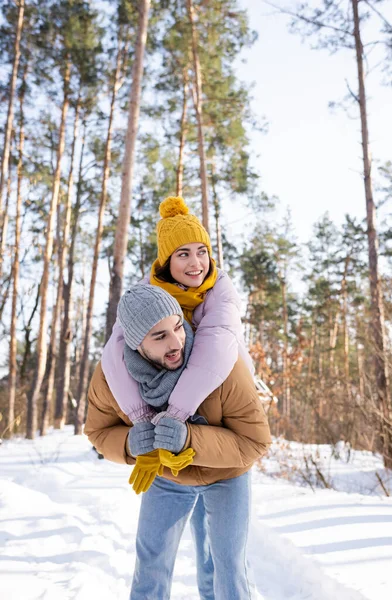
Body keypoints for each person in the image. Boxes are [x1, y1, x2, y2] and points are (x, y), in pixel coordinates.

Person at [85, 284, 271, 600]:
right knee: (151, 565)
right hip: (166, 476)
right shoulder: (112, 377)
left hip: (227, 474)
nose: (176, 343)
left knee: (227, 566)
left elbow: (256, 441)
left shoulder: (220, 363)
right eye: (159, 337)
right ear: (134, 344)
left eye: (177, 328)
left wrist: (189, 438)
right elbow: (98, 431)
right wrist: (130, 443)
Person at [101, 195, 255, 449]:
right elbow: (116, 351)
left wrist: (175, 414)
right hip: (166, 424)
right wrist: (141, 417)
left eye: (202, 252)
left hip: (223, 401)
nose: (196, 263)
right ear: (167, 261)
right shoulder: (143, 295)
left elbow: (214, 348)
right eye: (184, 254)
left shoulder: (221, 292)